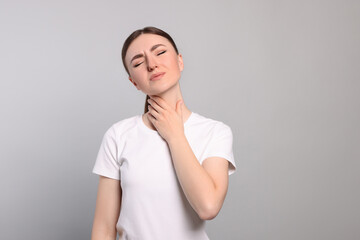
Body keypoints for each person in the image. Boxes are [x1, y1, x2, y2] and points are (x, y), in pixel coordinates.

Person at [91, 26, 237, 240]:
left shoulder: (215, 132)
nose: (152, 64)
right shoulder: (119, 135)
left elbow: (208, 206)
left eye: (160, 52)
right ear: (134, 82)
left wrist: (175, 134)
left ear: (180, 61)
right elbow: (104, 228)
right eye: (139, 63)